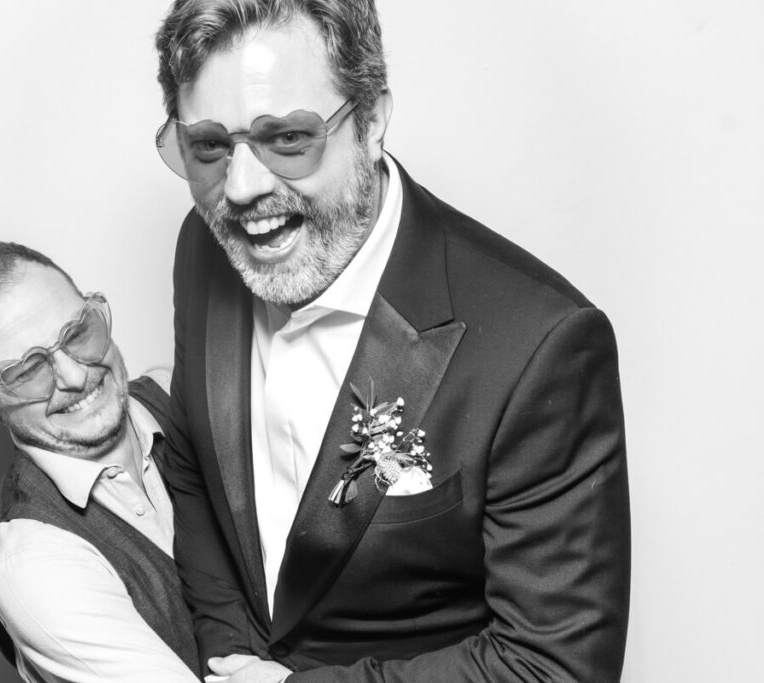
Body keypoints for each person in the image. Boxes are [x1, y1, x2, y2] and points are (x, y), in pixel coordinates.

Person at [154, 1, 630, 682]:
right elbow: (196, 466)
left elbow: (554, 666)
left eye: (288, 138)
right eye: (209, 146)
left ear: (371, 121)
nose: (241, 187)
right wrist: (228, 653)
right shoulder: (205, 246)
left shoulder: (541, 345)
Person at [0, 242, 200, 683]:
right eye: (25, 371)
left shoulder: (180, 391)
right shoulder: (31, 564)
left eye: (77, 333)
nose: (75, 377)